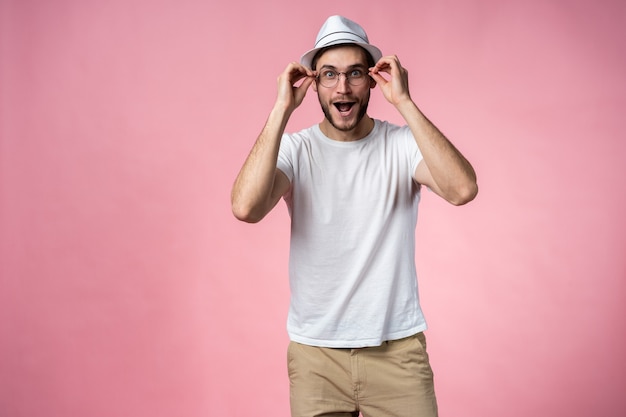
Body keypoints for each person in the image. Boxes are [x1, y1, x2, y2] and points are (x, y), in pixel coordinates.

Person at [231, 15, 477, 417]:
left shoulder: (401, 145)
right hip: (316, 358)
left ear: (372, 80)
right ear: (313, 83)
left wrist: (406, 103)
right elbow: (245, 208)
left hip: (396, 352)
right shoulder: (297, 150)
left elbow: (463, 189)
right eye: (329, 75)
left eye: (355, 74)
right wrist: (281, 108)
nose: (342, 87)